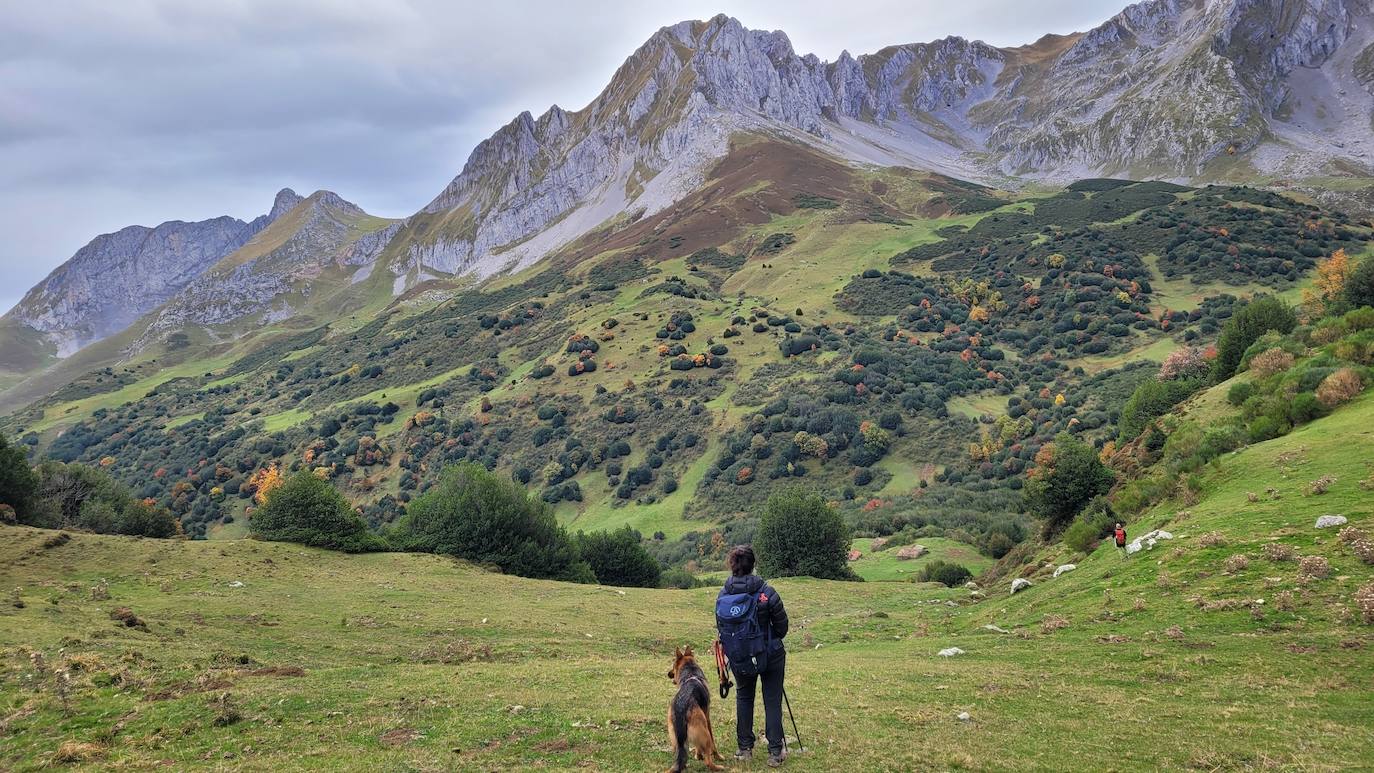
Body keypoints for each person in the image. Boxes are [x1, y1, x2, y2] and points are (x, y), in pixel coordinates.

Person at [719, 545, 789, 767]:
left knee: (744, 697)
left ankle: (744, 749)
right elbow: (782, 628)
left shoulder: (724, 594)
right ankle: (775, 752)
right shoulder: (767, 592)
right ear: (752, 565)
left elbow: (721, 628)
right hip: (770, 654)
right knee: (772, 700)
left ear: (733, 565)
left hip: (740, 656)